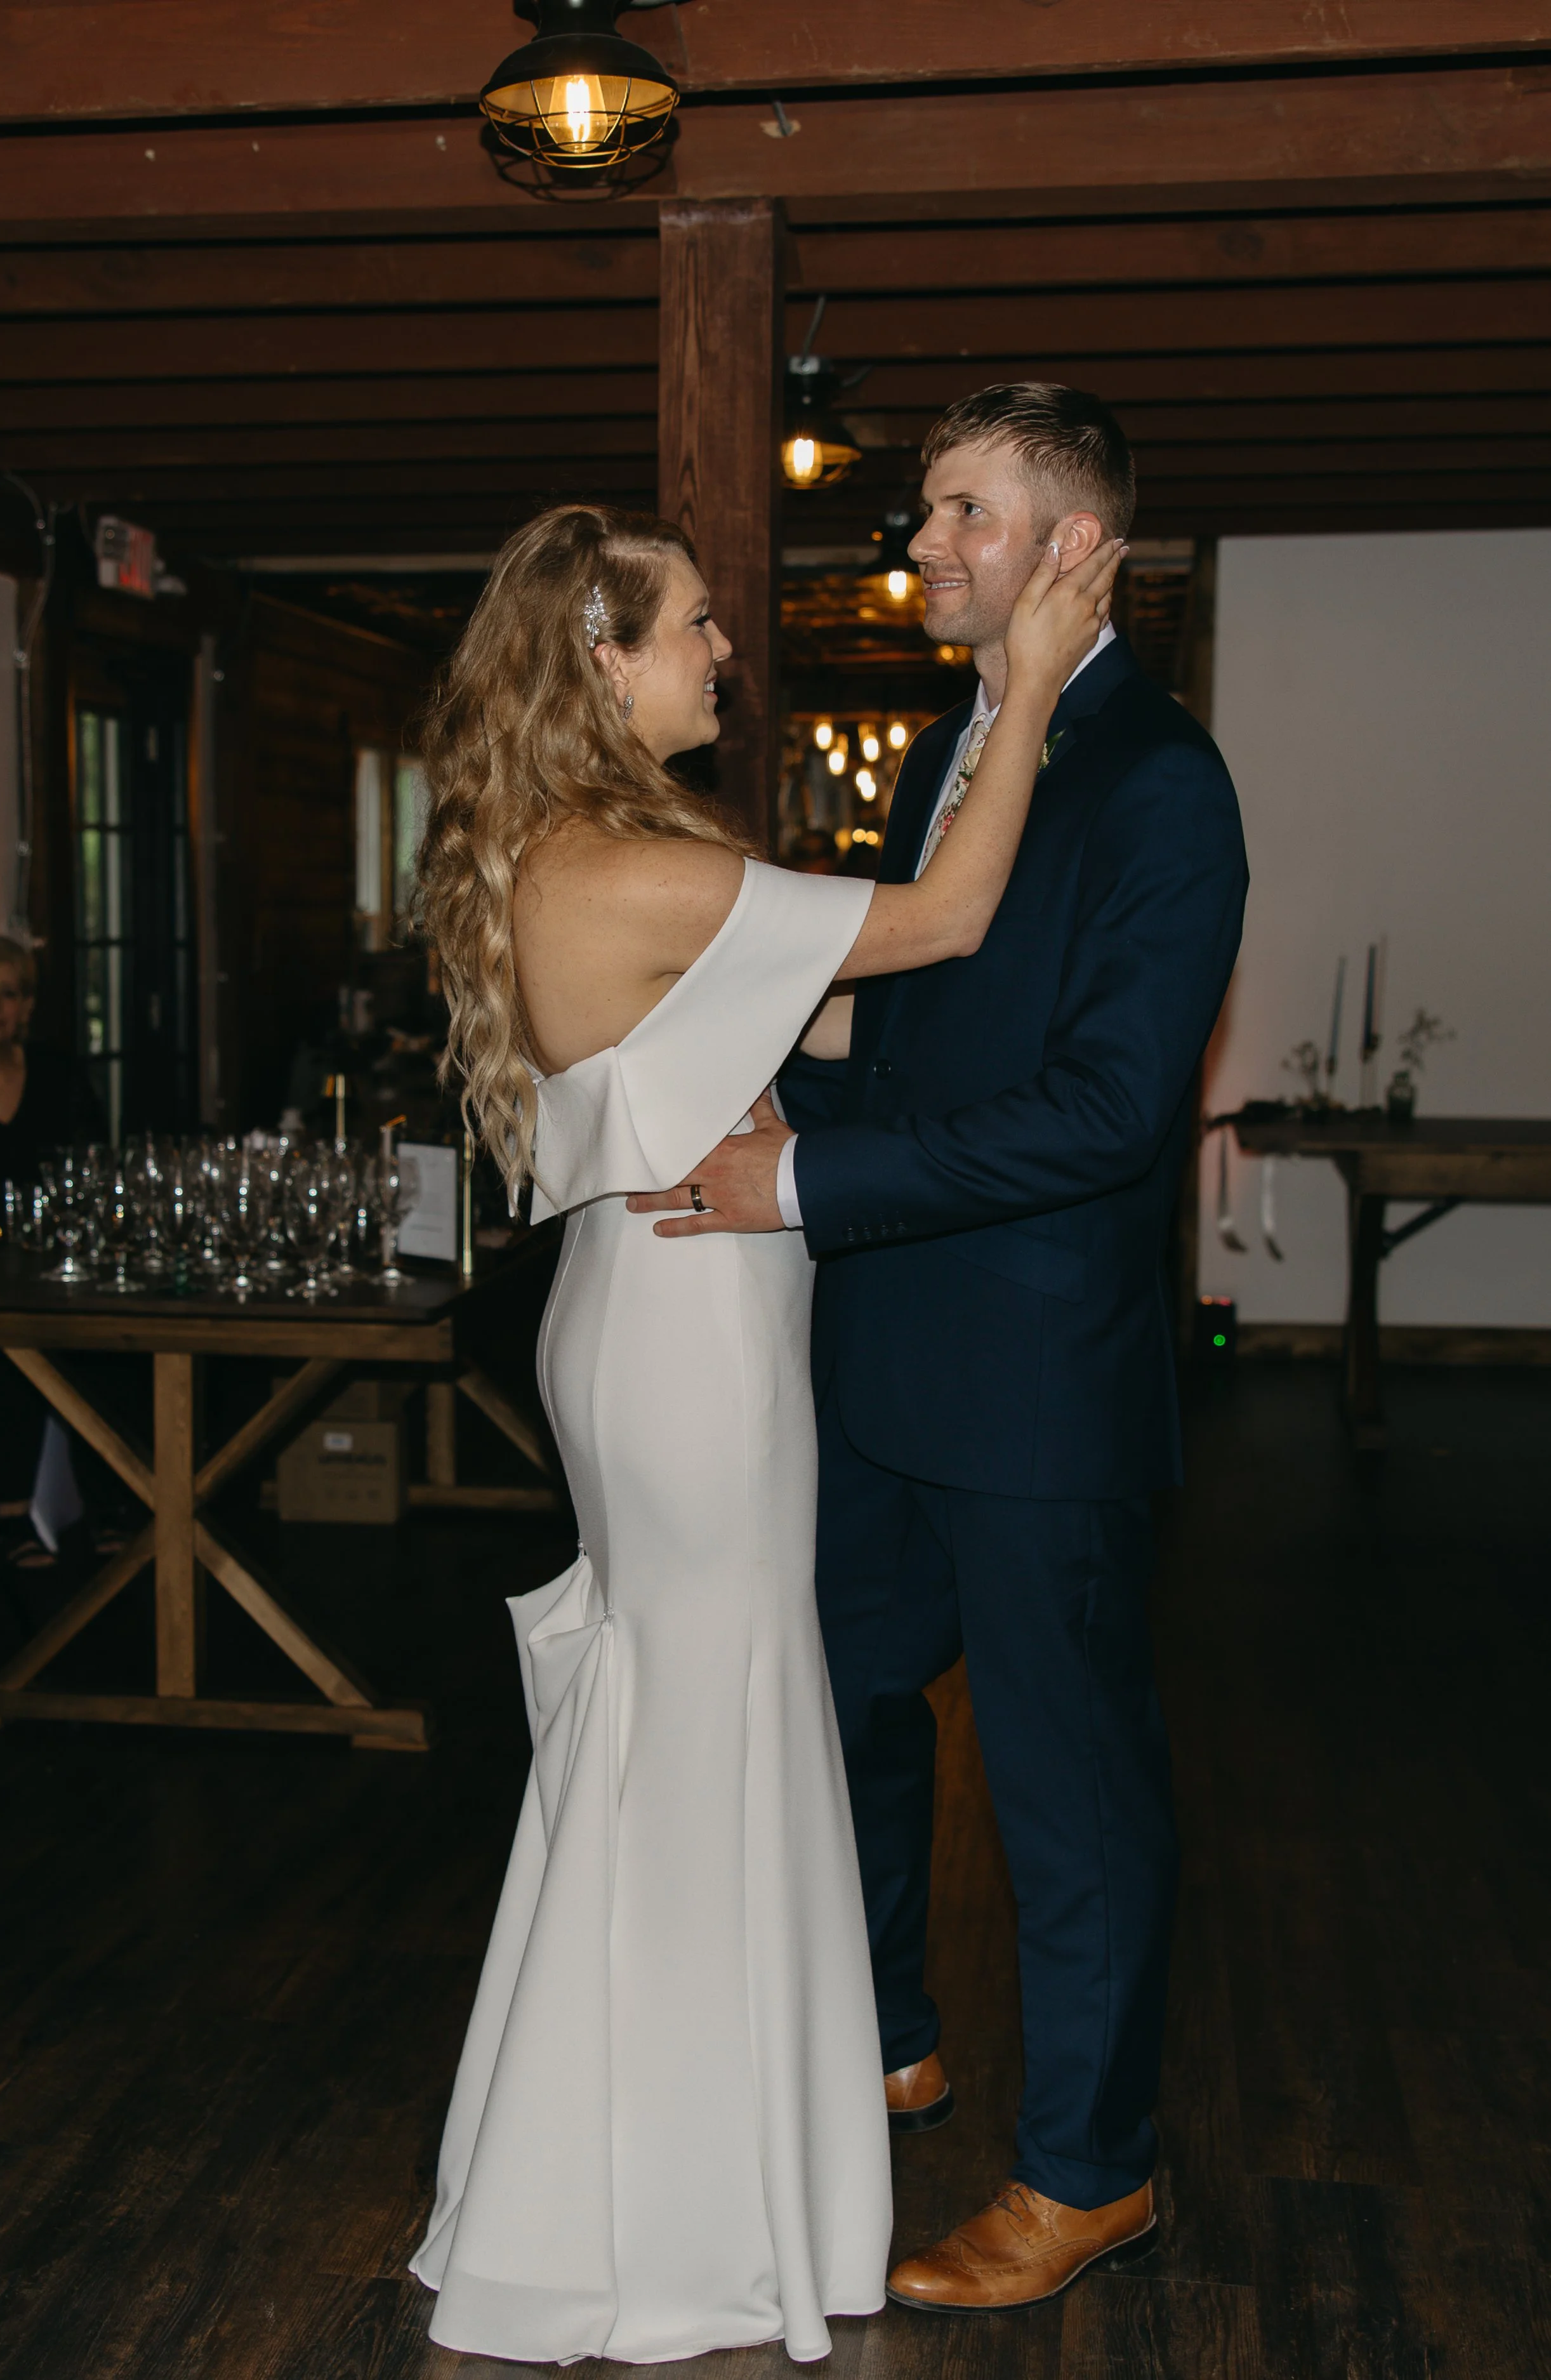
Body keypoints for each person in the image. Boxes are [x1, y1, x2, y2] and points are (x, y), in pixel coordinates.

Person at [406, 501, 1120, 2364]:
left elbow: (764, 1047)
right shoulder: (633, 864)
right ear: (598, 659)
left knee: (675, 1727)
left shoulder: (561, 851)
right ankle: (679, 2206)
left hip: (640, 1312)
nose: (723, 650)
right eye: (695, 627)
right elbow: (947, 916)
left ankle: (643, 2160)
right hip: (690, 1342)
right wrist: (1027, 683)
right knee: (708, 1728)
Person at [628, 385, 1250, 2313]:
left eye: (966, 514)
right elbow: (915, 1024)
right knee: (836, 1710)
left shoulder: (1159, 780)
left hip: (1038, 1377)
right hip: (881, 1354)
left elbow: (1105, 1115)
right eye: (923, 514)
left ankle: (1087, 2170)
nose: (926, 547)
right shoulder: (939, 752)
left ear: (1077, 546)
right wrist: (725, 1044)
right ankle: (882, 2024)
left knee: (1066, 1790)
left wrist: (805, 1181)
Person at [0, 934, 102, 1571]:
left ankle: (118, 1504)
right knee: (16, 1349)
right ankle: (10, 1511)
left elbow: (95, 1171)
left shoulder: (58, 1074)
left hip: (50, 1264)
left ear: (27, 1006)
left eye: (8, 992)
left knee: (116, 1345)